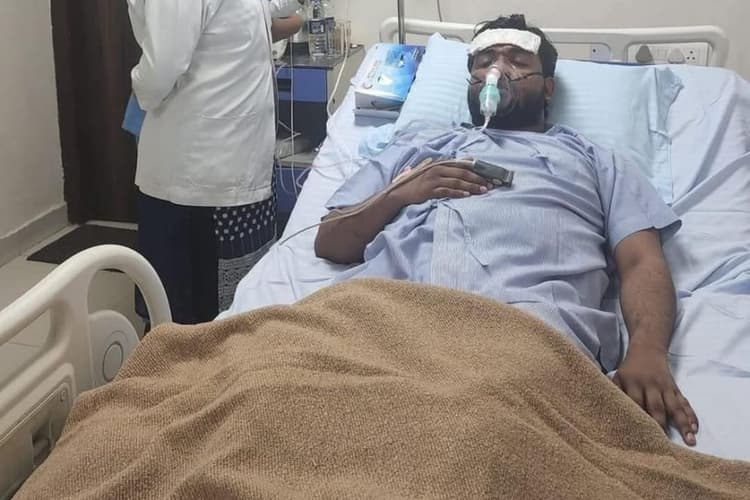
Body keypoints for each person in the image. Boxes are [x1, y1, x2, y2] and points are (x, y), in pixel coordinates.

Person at [315, 14, 700, 447]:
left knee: (481, 434)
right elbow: (330, 241)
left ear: (548, 87)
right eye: (483, 61)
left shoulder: (594, 160)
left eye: (516, 59)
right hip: (383, 319)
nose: (496, 69)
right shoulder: (418, 147)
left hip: (525, 331)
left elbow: (641, 260)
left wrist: (647, 351)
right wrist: (400, 194)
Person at [125, 0, 304, 325]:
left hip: (235, 167)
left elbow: (269, 7)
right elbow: (160, 70)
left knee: (239, 311)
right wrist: (140, 86)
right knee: (191, 319)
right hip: (198, 180)